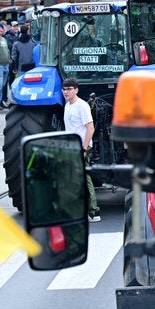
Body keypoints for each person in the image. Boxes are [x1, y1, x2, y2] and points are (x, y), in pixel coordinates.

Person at [62, 77, 100, 221]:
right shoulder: (68, 106)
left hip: (82, 148)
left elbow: (90, 128)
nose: (66, 92)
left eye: (69, 89)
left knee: (85, 178)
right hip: (72, 147)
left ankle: (93, 212)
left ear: (76, 90)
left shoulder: (82, 106)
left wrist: (84, 149)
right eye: (64, 89)